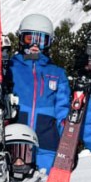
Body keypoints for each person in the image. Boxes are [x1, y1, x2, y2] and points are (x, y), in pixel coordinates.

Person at [8, 13, 71, 172]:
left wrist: (68, 145)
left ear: (49, 43)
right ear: (21, 40)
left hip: (47, 146)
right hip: (15, 145)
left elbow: (63, 111)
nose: (35, 45)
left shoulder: (57, 73)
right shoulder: (10, 68)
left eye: (41, 40)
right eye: (30, 39)